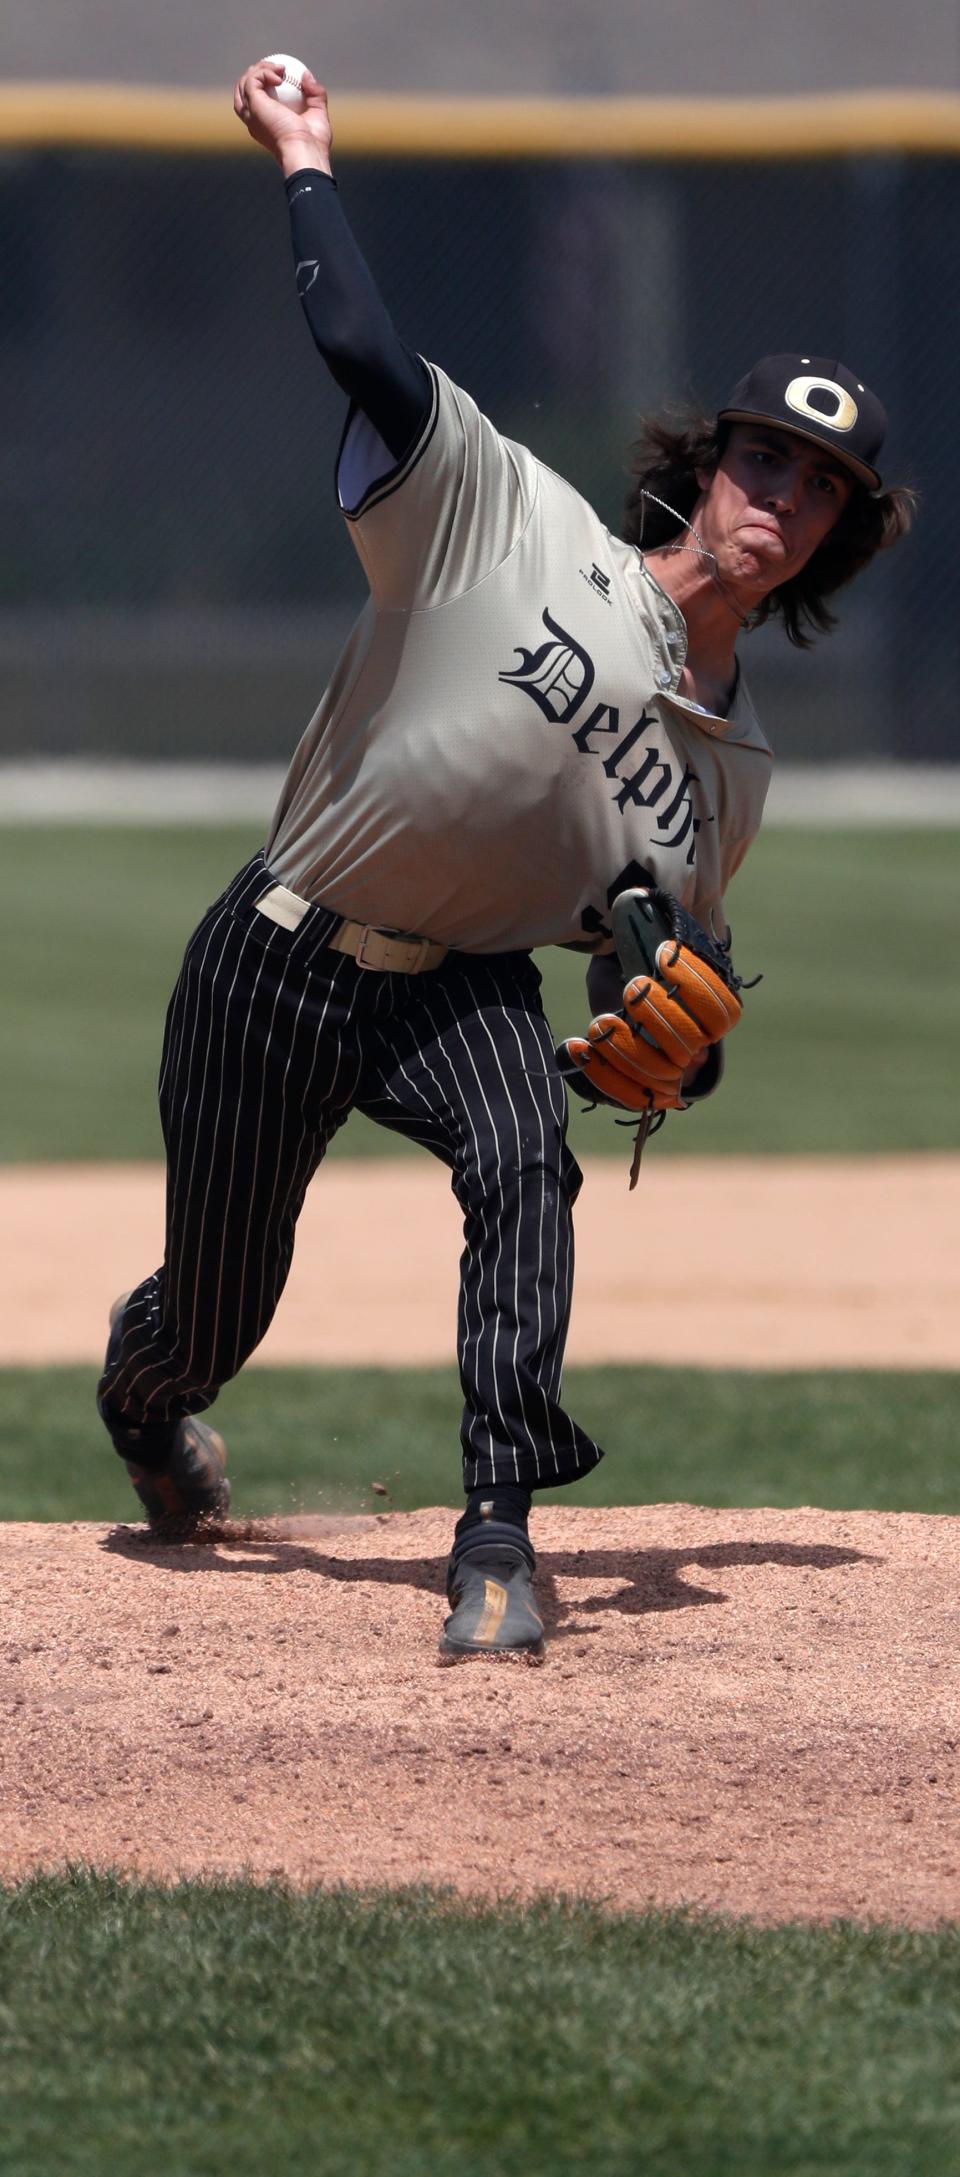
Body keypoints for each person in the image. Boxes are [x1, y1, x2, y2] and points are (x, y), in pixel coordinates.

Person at [97, 57, 913, 1658]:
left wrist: (676, 1058)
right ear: (710, 458)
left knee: (528, 1165)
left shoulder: (733, 775)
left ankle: (497, 1537)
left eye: (827, 489)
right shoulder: (508, 516)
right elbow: (358, 348)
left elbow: (673, 983)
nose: (789, 498)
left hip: (452, 991)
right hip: (278, 943)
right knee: (216, 1303)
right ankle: (147, 1405)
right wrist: (306, 160)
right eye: (769, 458)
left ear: (841, 536)